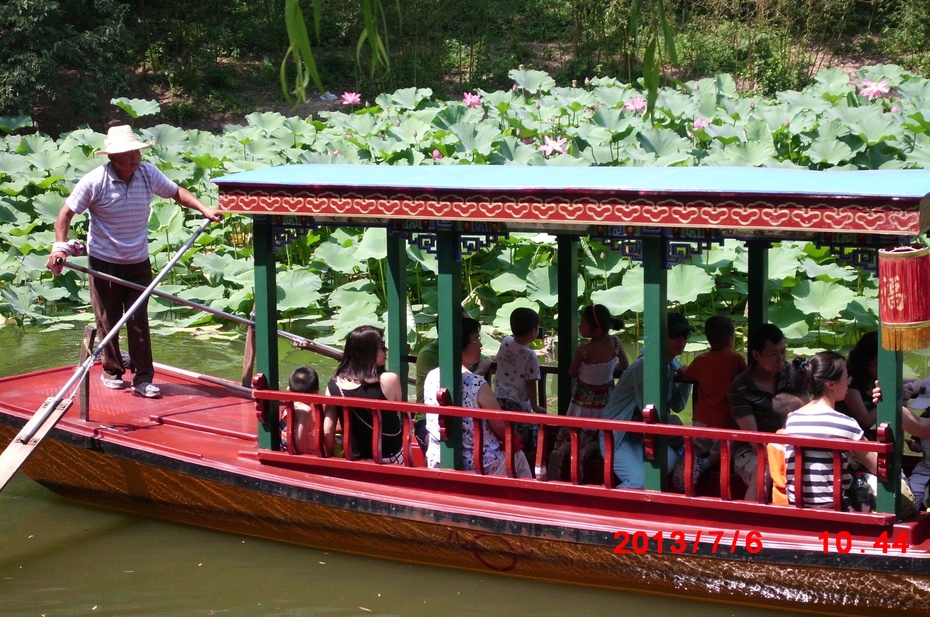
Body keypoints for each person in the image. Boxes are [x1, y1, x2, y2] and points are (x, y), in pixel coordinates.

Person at [45, 125, 222, 399]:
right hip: (104, 261)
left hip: (138, 260)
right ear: (114, 157)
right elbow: (65, 214)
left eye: (137, 152)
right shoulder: (95, 181)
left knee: (138, 319)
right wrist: (60, 246)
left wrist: (204, 208)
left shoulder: (148, 174)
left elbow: (177, 192)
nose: (136, 157)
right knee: (108, 319)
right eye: (129, 154)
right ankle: (112, 371)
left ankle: (143, 378)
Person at [424, 317, 533, 477]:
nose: (481, 345)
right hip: (480, 464)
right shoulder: (476, 384)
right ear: (462, 346)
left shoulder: (432, 376)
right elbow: (502, 429)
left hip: (437, 458)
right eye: (477, 339)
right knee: (518, 457)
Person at [600, 312, 694, 489]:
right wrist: (675, 425)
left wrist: (686, 379)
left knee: (669, 462)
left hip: (644, 438)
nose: (681, 340)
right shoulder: (645, 366)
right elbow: (650, 411)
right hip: (619, 436)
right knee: (639, 481)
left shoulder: (672, 364)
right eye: (675, 335)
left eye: (685, 335)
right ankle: (602, 510)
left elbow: (678, 405)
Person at [783, 352, 876, 509]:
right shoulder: (845, 423)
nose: (849, 383)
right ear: (831, 384)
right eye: (846, 378)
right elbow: (878, 465)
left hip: (796, 503)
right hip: (835, 505)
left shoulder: (792, 419)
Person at [547, 304, 628, 482]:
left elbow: (572, 373)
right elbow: (625, 366)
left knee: (574, 431)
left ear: (597, 330)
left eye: (583, 323)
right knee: (600, 433)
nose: (579, 326)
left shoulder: (583, 350)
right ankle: (584, 453)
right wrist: (609, 369)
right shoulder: (615, 343)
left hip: (582, 398)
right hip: (605, 398)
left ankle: (561, 451)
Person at [674, 315, 746, 491]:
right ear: (730, 339)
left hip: (701, 417)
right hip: (723, 419)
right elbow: (746, 379)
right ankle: (704, 465)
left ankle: (689, 462)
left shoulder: (700, 360)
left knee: (699, 445)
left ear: (707, 338)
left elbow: (686, 375)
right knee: (723, 451)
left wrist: (682, 370)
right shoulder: (735, 359)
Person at [727, 323, 798, 500]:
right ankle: (748, 523)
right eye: (774, 354)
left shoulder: (790, 372)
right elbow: (754, 438)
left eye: (783, 352)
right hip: (751, 450)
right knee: (765, 472)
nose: (780, 359)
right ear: (756, 355)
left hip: (791, 443)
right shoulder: (741, 386)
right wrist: (779, 457)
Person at [323, 326, 404, 463]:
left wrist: (328, 458)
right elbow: (395, 415)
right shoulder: (389, 380)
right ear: (368, 352)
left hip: (354, 458)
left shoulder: (333, 385)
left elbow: (327, 430)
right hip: (389, 457)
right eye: (382, 347)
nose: (386, 351)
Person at [493, 307, 547, 453]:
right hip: (516, 401)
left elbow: (498, 359)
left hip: (498, 396)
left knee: (503, 426)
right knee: (522, 433)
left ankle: (502, 443)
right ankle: (511, 448)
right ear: (533, 332)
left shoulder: (506, 340)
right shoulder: (530, 355)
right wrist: (535, 407)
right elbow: (531, 383)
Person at [766, 390, 810, 506]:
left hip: (778, 498)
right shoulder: (794, 442)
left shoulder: (772, 441)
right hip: (793, 497)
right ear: (792, 415)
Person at [283, 365, 320, 455]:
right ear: (317, 392)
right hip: (308, 453)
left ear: (289, 390)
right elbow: (299, 442)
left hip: (286, 447)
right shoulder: (305, 411)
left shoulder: (288, 406)